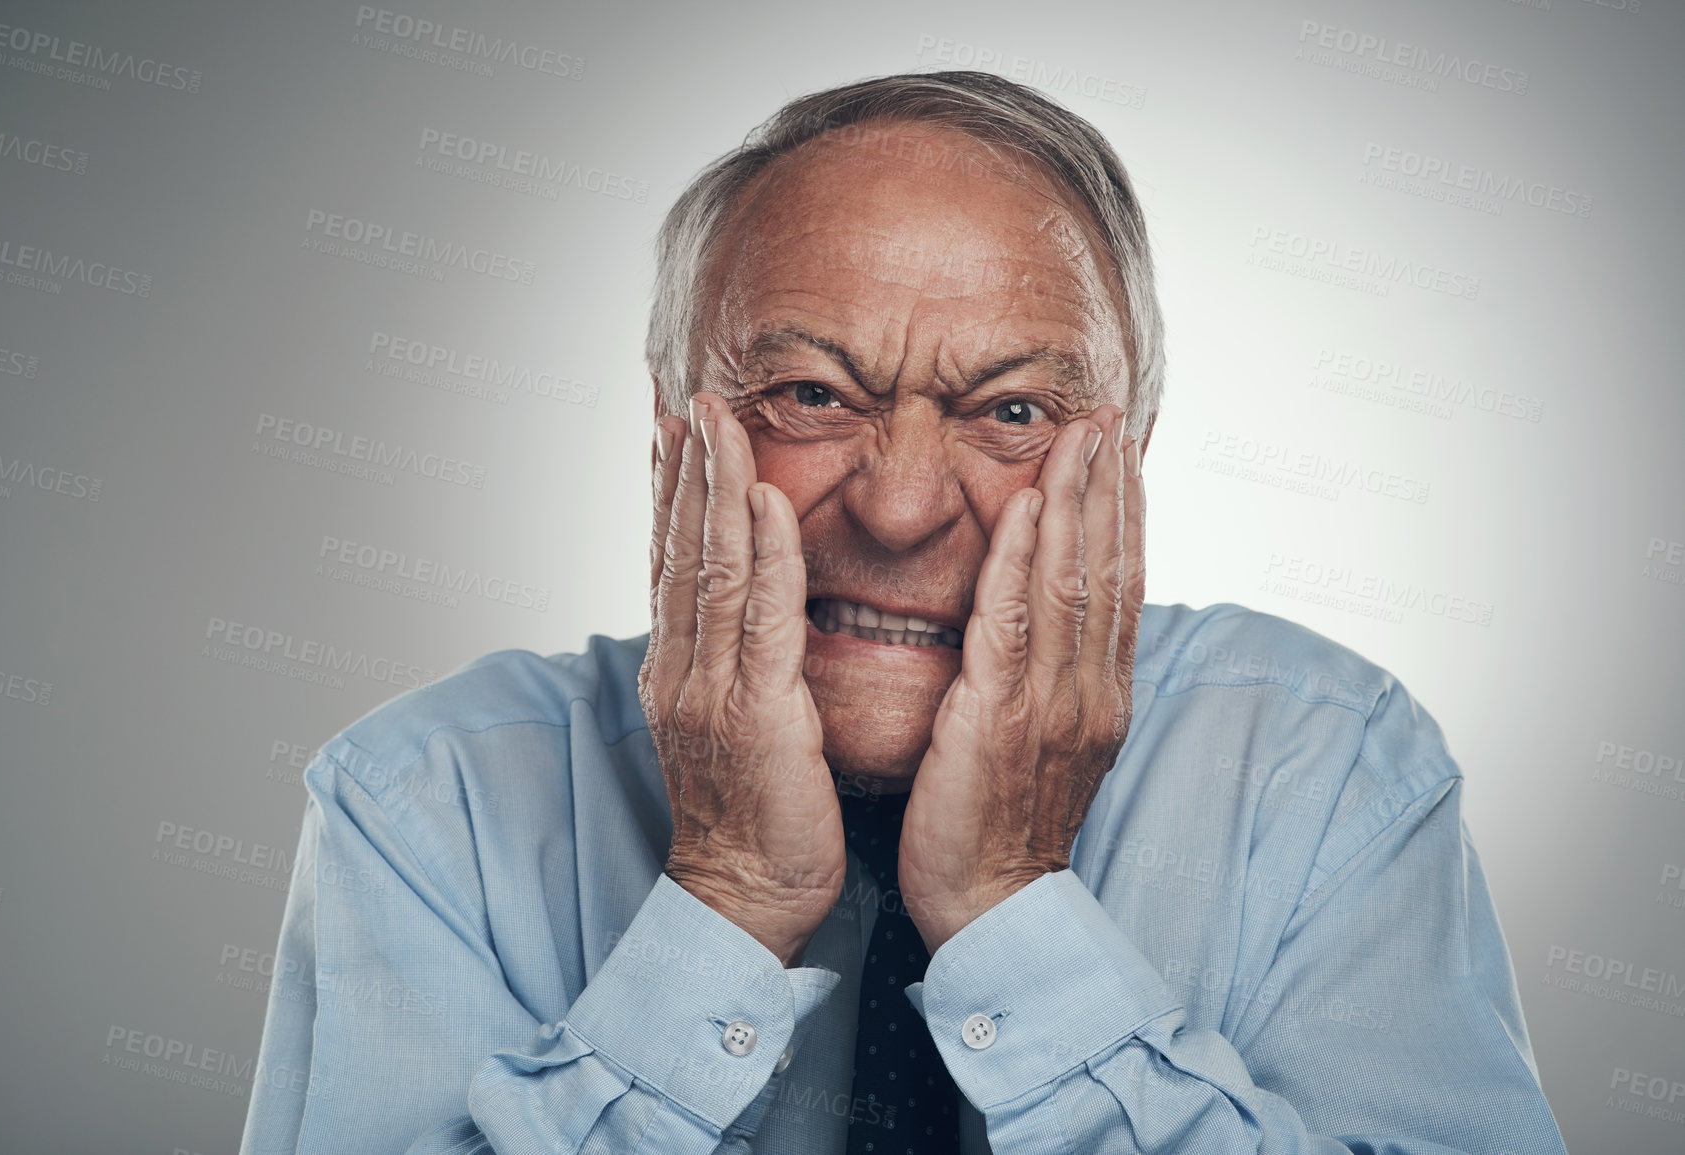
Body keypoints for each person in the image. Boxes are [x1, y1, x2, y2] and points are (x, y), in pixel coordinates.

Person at [239, 71, 1567, 1154]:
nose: (901, 508)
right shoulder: (424, 801)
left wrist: (1008, 907)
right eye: (813, 394)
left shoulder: (1328, 769)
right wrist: (726, 902)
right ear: (670, 442)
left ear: (1129, 463)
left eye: (1011, 413)